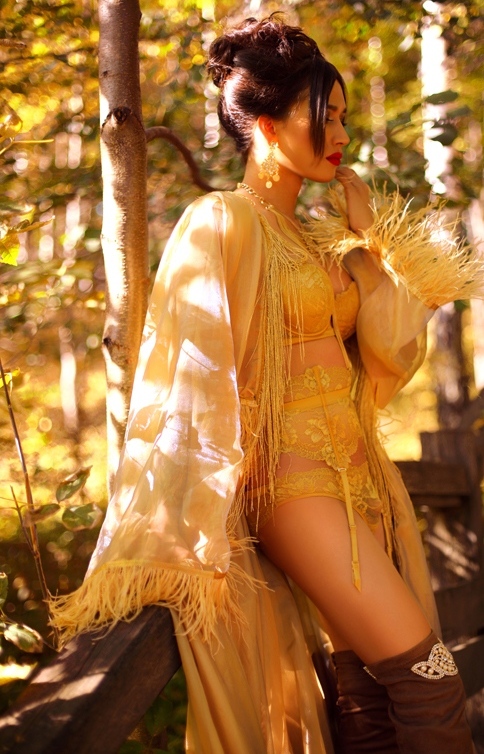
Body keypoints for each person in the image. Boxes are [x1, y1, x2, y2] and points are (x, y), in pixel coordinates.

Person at [51, 15, 482, 754]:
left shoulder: (320, 237)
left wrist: (375, 238)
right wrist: (185, 514)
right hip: (294, 488)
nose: (341, 133)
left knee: (368, 694)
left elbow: (393, 346)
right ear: (268, 124)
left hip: (362, 481)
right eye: (326, 116)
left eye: (343, 116)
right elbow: (191, 372)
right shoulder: (221, 220)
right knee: (430, 676)